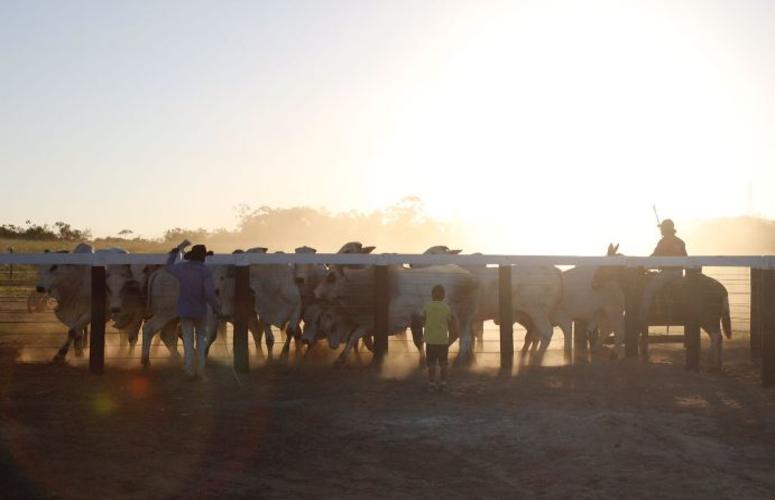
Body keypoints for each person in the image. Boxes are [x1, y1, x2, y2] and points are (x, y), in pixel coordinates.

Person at [165, 242, 220, 380]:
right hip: (200, 310)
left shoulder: (182, 268)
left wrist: (174, 252)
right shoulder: (206, 271)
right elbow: (209, 293)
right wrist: (215, 306)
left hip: (184, 309)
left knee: (188, 341)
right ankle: (200, 370)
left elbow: (168, 267)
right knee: (201, 340)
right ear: (203, 257)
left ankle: (189, 370)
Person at [638, 219, 687, 332]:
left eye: (662, 229)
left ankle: (642, 317)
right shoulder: (680, 242)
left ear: (665, 230)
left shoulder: (664, 242)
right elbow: (685, 258)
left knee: (648, 290)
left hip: (667, 273)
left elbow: (655, 256)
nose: (661, 231)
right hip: (679, 273)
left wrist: (643, 265)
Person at [422, 284, 454, 391]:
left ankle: (431, 384)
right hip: (443, 341)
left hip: (430, 341)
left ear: (432, 295)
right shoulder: (446, 307)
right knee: (443, 364)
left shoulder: (427, 306)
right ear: (444, 296)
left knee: (431, 364)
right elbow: (450, 321)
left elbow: (423, 318)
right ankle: (443, 383)